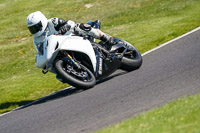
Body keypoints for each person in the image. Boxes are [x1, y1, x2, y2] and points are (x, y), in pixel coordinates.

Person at [26, 11, 114, 53]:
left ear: (42, 22)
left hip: (72, 37)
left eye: (36, 27)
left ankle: (107, 38)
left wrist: (66, 27)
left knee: (80, 27)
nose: (35, 31)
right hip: (61, 50)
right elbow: (42, 52)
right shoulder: (36, 40)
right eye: (32, 29)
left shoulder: (53, 22)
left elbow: (70, 23)